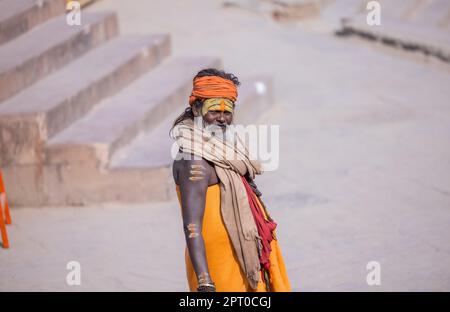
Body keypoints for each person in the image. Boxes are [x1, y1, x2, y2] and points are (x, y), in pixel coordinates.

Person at [170, 68, 291, 292]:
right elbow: (192, 226)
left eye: (228, 112)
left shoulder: (220, 146)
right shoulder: (194, 161)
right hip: (216, 263)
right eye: (214, 110)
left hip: (241, 252)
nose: (222, 118)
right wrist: (205, 281)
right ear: (196, 108)